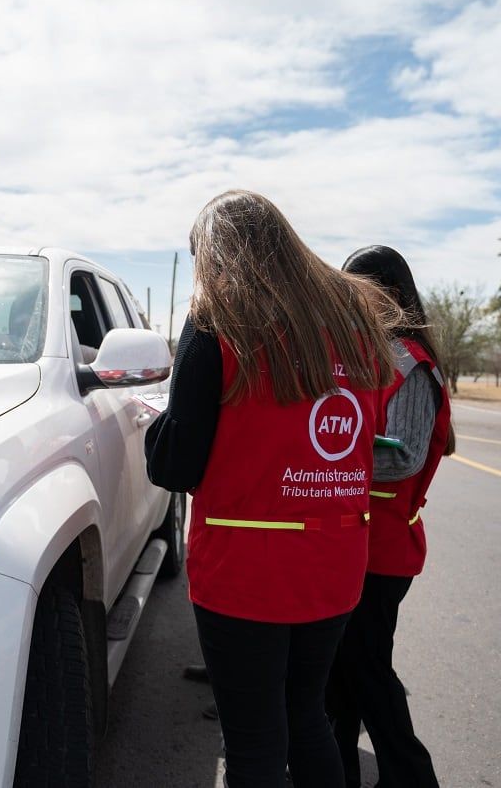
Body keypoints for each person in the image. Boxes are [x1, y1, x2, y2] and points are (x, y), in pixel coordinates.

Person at [145, 190, 400, 788]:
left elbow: (177, 466)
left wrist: (157, 426)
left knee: (255, 743)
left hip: (245, 572)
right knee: (306, 717)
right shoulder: (352, 314)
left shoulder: (219, 317)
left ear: (214, 254)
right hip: (334, 565)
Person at [328, 245, 455, 788]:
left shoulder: (408, 361)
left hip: (384, 550)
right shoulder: (378, 353)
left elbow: (403, 454)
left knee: (365, 671)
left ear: (383, 293)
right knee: (344, 675)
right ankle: (336, 770)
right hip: (361, 544)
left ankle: (410, 775)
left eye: (356, 292)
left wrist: (327, 460)